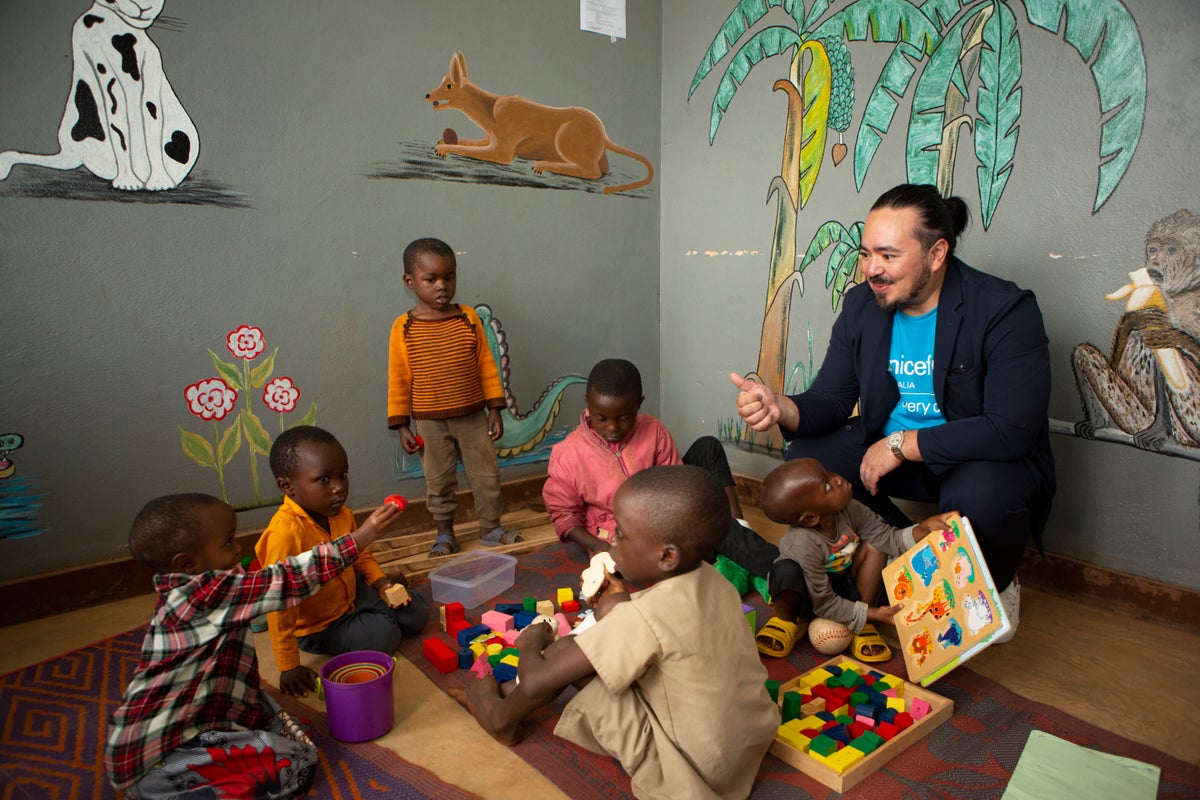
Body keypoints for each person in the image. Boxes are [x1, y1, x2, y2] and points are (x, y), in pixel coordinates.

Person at [731, 184, 1054, 639]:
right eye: (866, 254)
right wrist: (781, 406)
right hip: (890, 451)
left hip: (971, 459)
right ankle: (911, 550)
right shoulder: (863, 305)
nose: (871, 270)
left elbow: (1011, 430)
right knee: (808, 454)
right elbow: (831, 400)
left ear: (937, 253)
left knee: (987, 494)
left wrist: (904, 444)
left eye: (887, 256)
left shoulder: (1004, 310)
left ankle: (995, 581)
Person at [465, 465, 780, 800]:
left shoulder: (643, 618)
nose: (610, 538)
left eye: (622, 534)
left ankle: (501, 718)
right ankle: (507, 696)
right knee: (589, 642)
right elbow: (667, 625)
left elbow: (537, 681)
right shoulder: (714, 580)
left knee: (570, 650)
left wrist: (531, 641)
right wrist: (615, 607)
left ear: (667, 556)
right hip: (744, 746)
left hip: (689, 770)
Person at [105, 492, 405, 798]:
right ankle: (162, 790)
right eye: (228, 542)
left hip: (189, 722)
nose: (239, 549)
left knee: (275, 724)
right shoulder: (202, 595)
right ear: (187, 563)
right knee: (298, 761)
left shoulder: (201, 586)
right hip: (152, 757)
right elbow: (287, 580)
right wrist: (362, 536)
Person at [543, 357, 778, 580]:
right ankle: (779, 571)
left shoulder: (654, 430)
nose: (613, 427)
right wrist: (597, 546)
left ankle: (750, 545)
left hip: (663, 517)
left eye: (624, 417)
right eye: (601, 418)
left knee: (708, 452)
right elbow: (564, 515)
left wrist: (688, 514)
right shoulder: (568, 453)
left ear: (639, 404)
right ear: (588, 403)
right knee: (718, 530)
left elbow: (675, 484)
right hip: (624, 539)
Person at [255, 426, 429, 697]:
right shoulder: (284, 533)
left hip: (354, 593)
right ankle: (380, 619)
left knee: (417, 613)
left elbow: (359, 555)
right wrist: (288, 666)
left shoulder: (340, 513)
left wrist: (381, 582)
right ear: (287, 486)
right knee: (384, 636)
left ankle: (381, 610)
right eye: (324, 479)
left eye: (343, 475)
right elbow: (278, 604)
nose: (339, 487)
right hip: (321, 625)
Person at [387, 236, 521, 556]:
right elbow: (398, 379)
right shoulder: (403, 327)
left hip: (473, 416)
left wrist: (494, 409)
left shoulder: (467, 318)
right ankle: (445, 534)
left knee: (486, 474)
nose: (442, 286)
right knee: (439, 479)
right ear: (410, 282)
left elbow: (487, 365)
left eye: (449, 277)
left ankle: (490, 527)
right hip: (429, 423)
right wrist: (402, 425)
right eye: (430, 279)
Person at [755, 457, 955, 660]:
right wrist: (876, 614)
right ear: (810, 518)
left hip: (842, 584)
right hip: (809, 595)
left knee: (875, 546)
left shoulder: (852, 509)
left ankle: (861, 620)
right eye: (827, 485)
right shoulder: (801, 543)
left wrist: (923, 528)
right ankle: (787, 620)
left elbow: (888, 539)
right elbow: (823, 602)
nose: (838, 479)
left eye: (829, 473)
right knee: (785, 571)